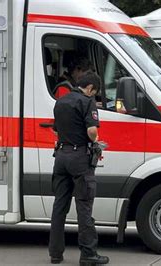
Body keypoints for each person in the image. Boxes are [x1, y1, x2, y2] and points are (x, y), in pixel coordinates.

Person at [49, 72, 110, 265]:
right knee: (84, 205)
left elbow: (56, 129)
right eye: (94, 92)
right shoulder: (87, 101)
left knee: (60, 206)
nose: (93, 96)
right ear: (90, 88)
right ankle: (88, 254)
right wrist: (96, 140)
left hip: (61, 156)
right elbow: (91, 131)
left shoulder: (61, 101)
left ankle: (55, 253)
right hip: (79, 159)